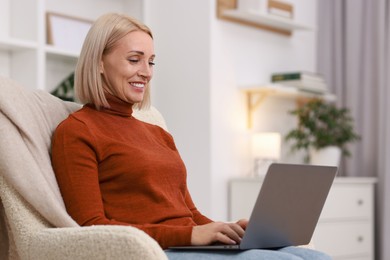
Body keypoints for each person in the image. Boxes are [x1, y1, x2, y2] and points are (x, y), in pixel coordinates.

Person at [51, 13, 331, 260]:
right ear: (99, 63)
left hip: (186, 246)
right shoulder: (77, 131)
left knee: (316, 256)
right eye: (134, 60)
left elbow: (189, 214)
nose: (146, 72)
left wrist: (230, 232)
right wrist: (190, 236)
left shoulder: (158, 134)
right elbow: (91, 228)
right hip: (151, 251)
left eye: (151, 62)